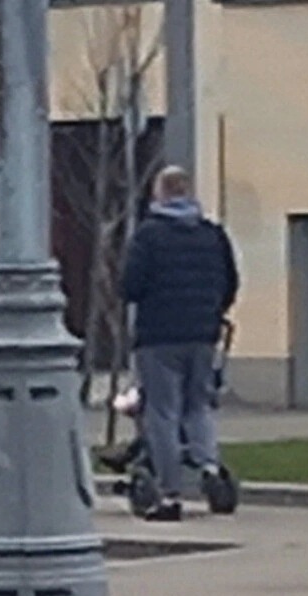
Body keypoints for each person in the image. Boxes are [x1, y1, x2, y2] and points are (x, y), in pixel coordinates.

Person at [121, 166, 239, 522]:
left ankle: (169, 492)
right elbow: (231, 281)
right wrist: (211, 311)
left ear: (160, 193)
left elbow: (130, 286)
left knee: (162, 412)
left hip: (159, 337)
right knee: (198, 406)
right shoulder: (212, 234)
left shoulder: (149, 235)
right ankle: (209, 468)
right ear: (187, 193)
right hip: (203, 333)